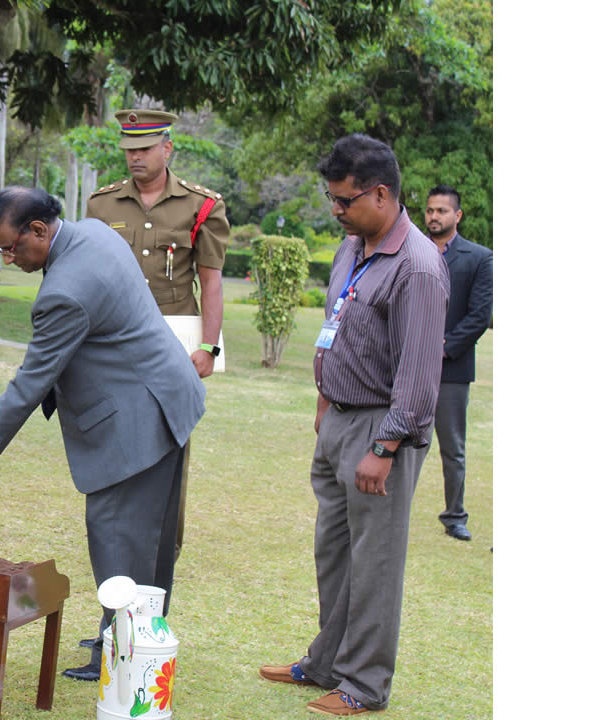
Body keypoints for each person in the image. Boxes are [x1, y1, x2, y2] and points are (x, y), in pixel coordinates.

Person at [0, 187, 206, 683]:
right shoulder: (94, 233)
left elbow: (30, 383)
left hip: (137, 421)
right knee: (151, 538)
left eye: (10, 247)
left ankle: (123, 651)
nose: (6, 258)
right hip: (164, 394)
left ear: (39, 230)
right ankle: (130, 634)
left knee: (119, 536)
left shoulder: (65, 291)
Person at [259, 134, 448, 716]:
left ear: (382, 194)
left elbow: (418, 375)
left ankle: (364, 686)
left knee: (376, 562)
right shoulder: (353, 246)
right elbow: (338, 327)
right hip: (338, 419)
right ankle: (326, 663)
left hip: (381, 430)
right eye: (332, 198)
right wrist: (324, 400)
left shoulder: (416, 266)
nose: (335, 210)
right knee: (334, 552)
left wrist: (385, 445)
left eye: (344, 201)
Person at [85, 108, 230, 568]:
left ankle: (162, 548)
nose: (135, 158)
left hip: (172, 352)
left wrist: (209, 347)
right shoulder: (101, 205)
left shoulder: (201, 206)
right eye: (129, 150)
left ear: (168, 148)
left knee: (168, 457)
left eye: (145, 148)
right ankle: (116, 544)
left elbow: (210, 282)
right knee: (113, 448)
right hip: (111, 350)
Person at [424, 185, 492, 542]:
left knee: (453, 447)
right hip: (407, 367)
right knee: (397, 439)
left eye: (442, 211)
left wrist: (442, 347)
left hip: (451, 369)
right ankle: (388, 509)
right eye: (430, 210)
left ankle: (455, 516)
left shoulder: (479, 258)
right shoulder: (411, 251)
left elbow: (480, 316)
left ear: (457, 216)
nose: (434, 216)